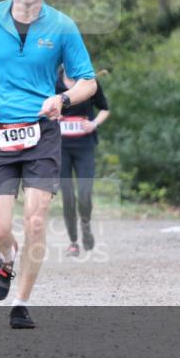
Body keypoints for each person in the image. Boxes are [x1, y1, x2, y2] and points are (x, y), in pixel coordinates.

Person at [0, 0, 96, 329]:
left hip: (41, 133)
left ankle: (21, 303)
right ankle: (5, 258)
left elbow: (88, 81)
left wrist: (62, 98)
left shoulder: (62, 26)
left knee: (36, 222)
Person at [56, 67, 110, 256]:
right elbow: (41, 108)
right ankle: (73, 242)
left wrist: (94, 124)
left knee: (85, 194)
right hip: (60, 149)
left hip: (84, 147)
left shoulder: (88, 82)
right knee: (68, 196)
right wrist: (52, 115)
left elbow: (105, 109)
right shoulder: (52, 82)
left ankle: (86, 226)